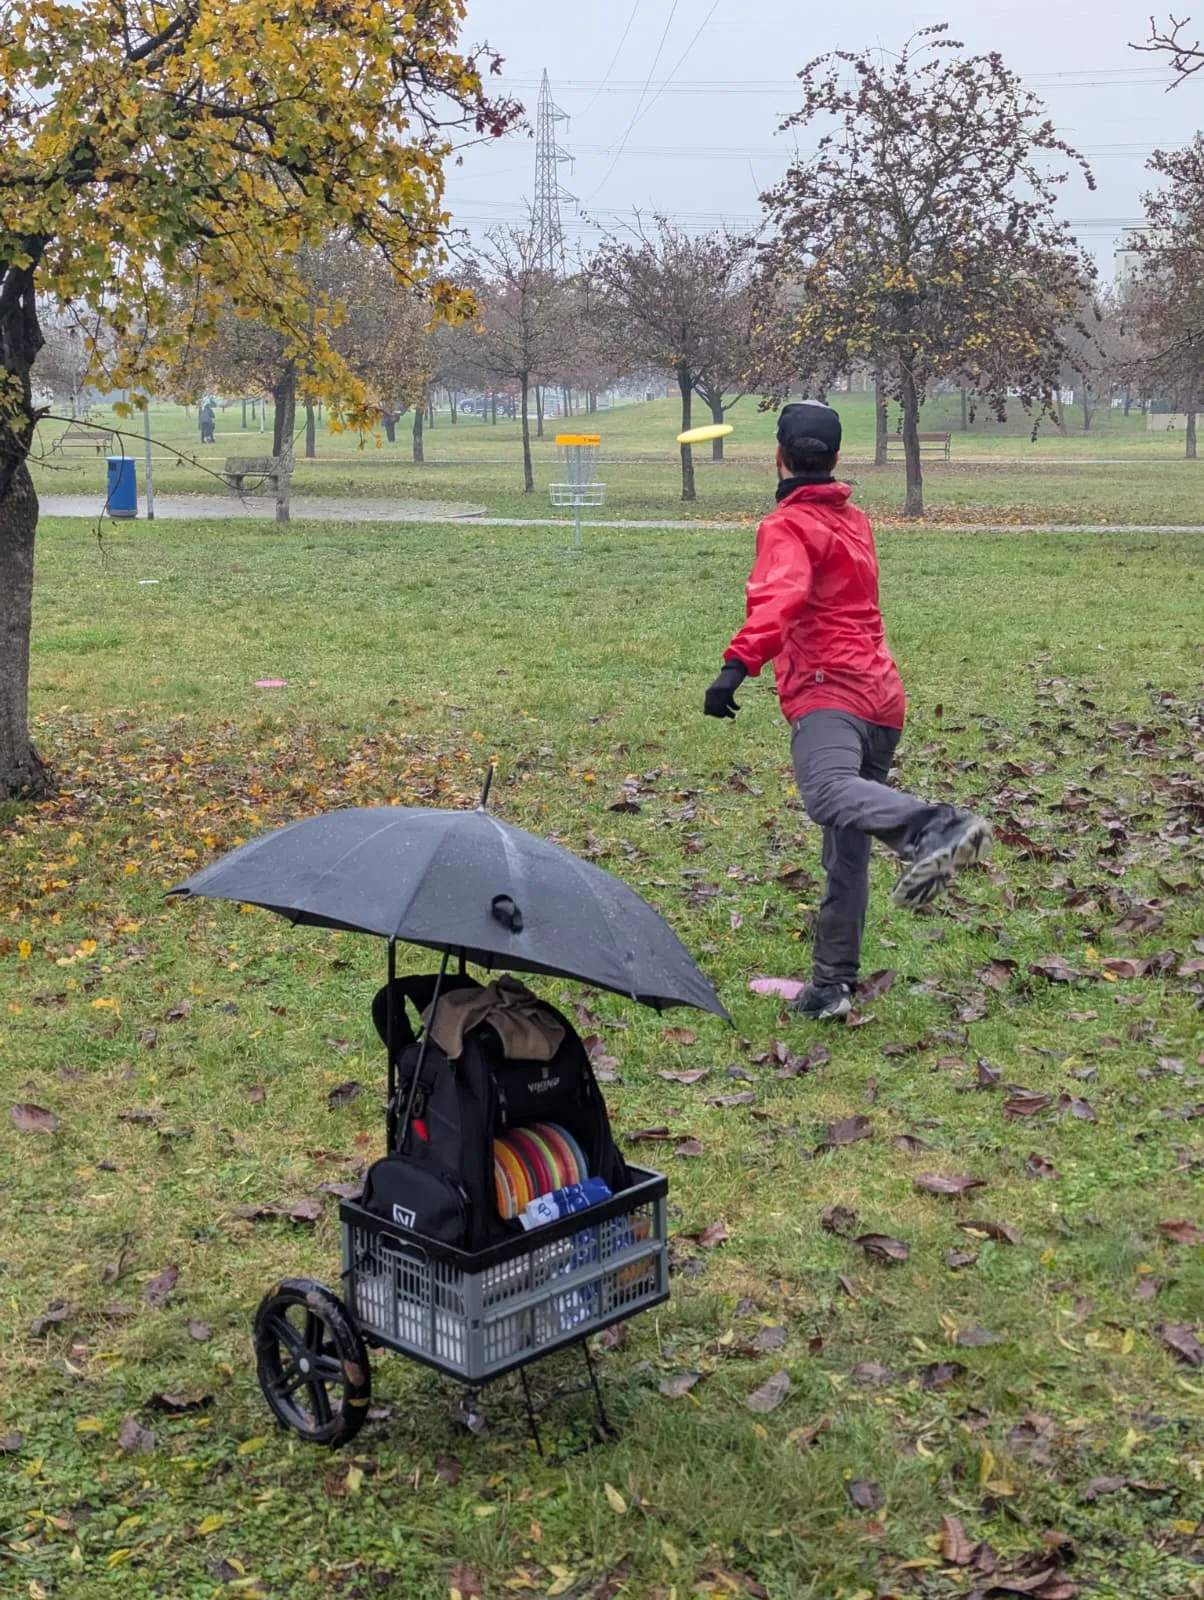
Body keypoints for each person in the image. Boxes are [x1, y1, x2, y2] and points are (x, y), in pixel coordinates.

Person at [704, 401, 992, 1021]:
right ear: (835, 460)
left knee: (827, 792)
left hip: (830, 691)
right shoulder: (853, 518)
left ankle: (933, 828)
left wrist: (735, 668)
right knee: (846, 847)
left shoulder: (786, 525)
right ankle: (831, 986)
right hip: (882, 699)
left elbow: (779, 598)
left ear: (778, 456)